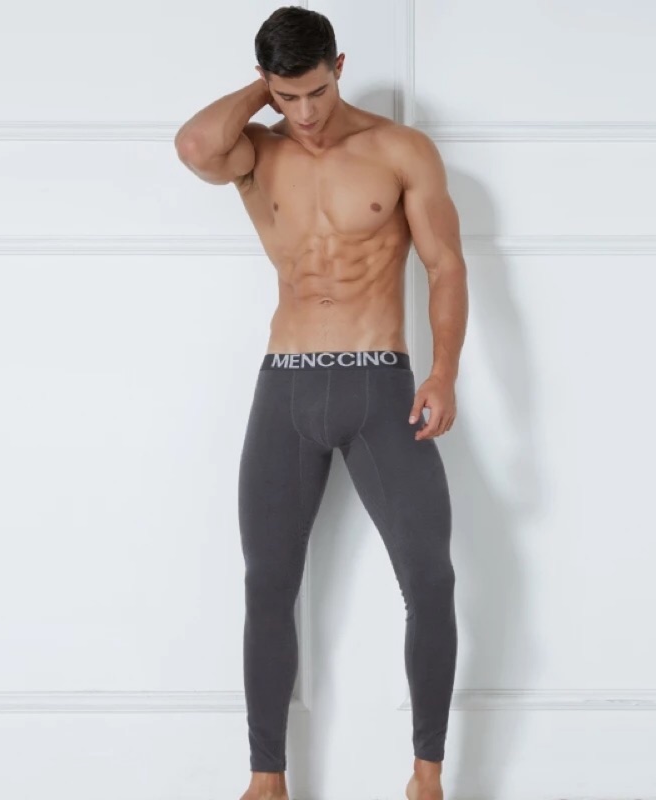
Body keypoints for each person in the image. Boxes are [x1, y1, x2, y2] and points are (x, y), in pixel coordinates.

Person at [174, 6, 468, 800]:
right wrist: (263, 91)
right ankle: (266, 779)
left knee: (430, 578)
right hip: (287, 383)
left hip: (380, 384)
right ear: (268, 86)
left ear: (340, 66)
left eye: (316, 91)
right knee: (268, 584)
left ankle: (427, 776)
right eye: (287, 96)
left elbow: (445, 265)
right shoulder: (255, 153)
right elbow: (195, 147)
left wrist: (443, 373)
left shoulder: (399, 150)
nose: (304, 114)